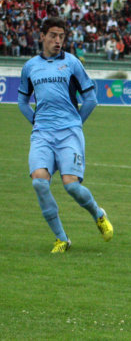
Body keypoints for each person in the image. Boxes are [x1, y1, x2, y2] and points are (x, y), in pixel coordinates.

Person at [18, 17, 114, 253]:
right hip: (42, 134)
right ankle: (62, 239)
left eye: (61, 36)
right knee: (40, 183)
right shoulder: (30, 66)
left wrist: (75, 125)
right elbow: (22, 101)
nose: (58, 40)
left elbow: (91, 99)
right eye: (53, 35)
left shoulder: (72, 63)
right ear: (42, 37)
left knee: (71, 186)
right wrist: (36, 121)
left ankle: (98, 214)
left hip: (69, 133)